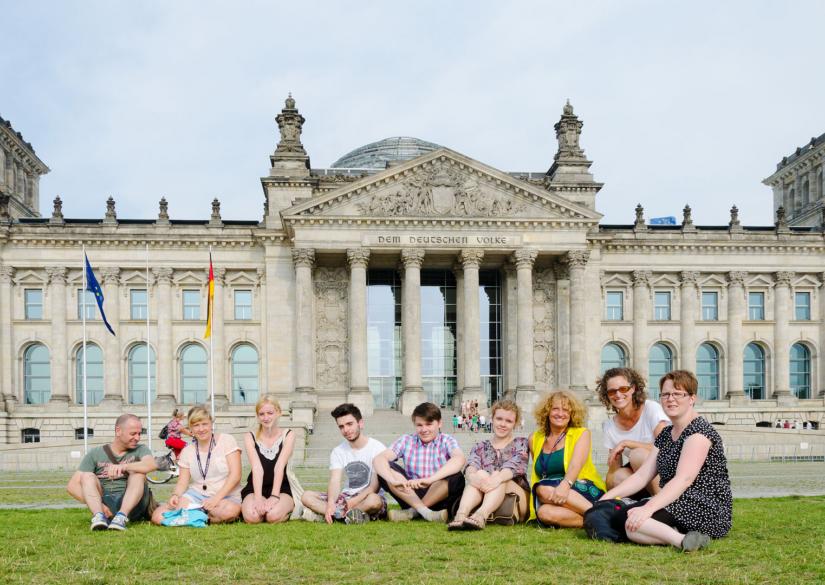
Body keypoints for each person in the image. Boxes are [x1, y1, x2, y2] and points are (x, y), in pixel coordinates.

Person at [601, 370, 733, 552]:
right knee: (626, 521)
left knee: (630, 521)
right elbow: (642, 476)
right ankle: (682, 538)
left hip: (705, 507)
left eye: (678, 394)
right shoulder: (666, 433)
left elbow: (683, 479)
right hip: (678, 501)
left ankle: (678, 538)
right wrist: (605, 498)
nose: (670, 399)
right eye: (665, 394)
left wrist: (647, 508)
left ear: (692, 398)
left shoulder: (699, 432)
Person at [374, 402, 466, 522]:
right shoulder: (407, 440)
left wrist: (430, 480)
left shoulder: (447, 440)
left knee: (456, 476)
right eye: (419, 425)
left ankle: (413, 512)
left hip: (439, 494)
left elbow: (459, 459)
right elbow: (379, 459)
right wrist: (392, 481)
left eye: (429, 424)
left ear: (439, 423)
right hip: (410, 494)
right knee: (386, 469)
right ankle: (425, 512)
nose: (424, 430)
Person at [151, 406, 242, 525]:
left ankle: (192, 516)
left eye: (204, 424)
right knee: (158, 516)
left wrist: (215, 499)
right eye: (196, 425)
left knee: (229, 511)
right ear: (190, 428)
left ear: (211, 424)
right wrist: (176, 495)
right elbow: (183, 482)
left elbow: (236, 475)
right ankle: (202, 516)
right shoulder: (187, 451)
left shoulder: (226, 440)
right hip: (197, 495)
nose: (201, 429)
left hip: (225, 496)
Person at [67, 414, 157, 531]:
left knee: (138, 474)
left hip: (134, 505)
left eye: (139, 433)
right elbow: (72, 486)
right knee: (87, 476)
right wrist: (100, 505)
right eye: (133, 433)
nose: (137, 438)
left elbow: (151, 464)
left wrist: (124, 467)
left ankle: (121, 517)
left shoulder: (141, 449)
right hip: (106, 504)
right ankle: (99, 516)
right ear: (118, 431)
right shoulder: (95, 453)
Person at [529, 390, 605, 528]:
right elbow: (541, 471)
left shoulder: (581, 433)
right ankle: (598, 521)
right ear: (547, 411)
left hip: (578, 488)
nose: (560, 414)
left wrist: (565, 485)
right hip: (553, 496)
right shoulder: (535, 438)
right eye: (555, 409)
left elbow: (576, 465)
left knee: (542, 490)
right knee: (544, 513)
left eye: (566, 410)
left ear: (572, 414)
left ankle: (601, 514)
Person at [448, 400, 529, 530]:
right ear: (492, 419)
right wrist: (472, 477)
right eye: (499, 419)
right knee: (479, 474)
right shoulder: (480, 446)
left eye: (508, 421)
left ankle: (481, 516)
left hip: (516, 495)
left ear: (515, 423)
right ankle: (461, 515)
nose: (503, 424)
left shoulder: (522, 443)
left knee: (498, 476)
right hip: (488, 492)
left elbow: (512, 468)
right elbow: (471, 465)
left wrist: (496, 479)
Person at [301, 403, 386, 524]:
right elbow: (335, 481)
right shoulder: (338, 451)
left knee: (374, 501)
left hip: (368, 496)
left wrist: (353, 502)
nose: (346, 430)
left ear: (360, 423)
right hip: (346, 497)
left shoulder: (377, 448)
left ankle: (335, 516)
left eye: (349, 424)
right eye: (341, 426)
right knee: (306, 496)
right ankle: (350, 516)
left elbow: (374, 487)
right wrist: (331, 503)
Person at [596, 367, 669, 494]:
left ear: (633, 388)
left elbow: (667, 447)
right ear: (607, 395)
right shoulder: (609, 426)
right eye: (612, 391)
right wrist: (608, 491)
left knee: (637, 454)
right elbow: (613, 472)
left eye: (623, 389)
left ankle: (665, 501)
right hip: (642, 479)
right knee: (619, 476)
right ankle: (646, 499)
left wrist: (627, 443)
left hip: (668, 472)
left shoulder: (651, 408)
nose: (618, 395)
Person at [241, 396, 296, 524]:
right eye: (261, 414)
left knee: (273, 516)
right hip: (255, 487)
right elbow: (257, 468)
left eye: (270, 413)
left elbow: (279, 466)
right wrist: (258, 498)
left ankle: (284, 508)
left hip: (281, 488)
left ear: (278, 412)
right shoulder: (249, 436)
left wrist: (274, 496)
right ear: (257, 416)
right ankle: (257, 506)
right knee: (252, 517)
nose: (266, 418)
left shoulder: (289, 435)